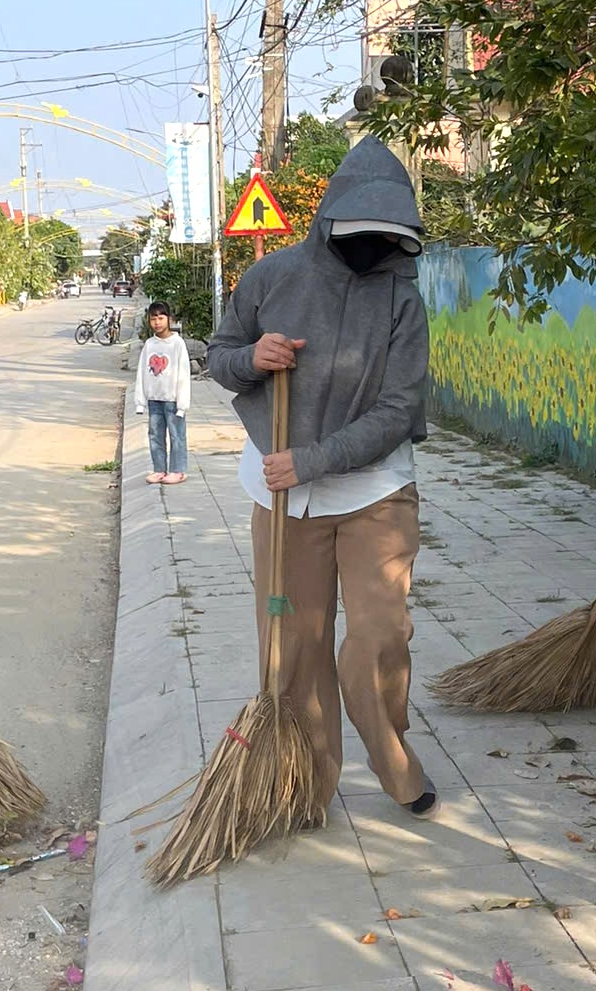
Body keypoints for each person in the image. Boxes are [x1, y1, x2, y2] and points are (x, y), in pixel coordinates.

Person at [207, 138, 438, 818]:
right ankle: (304, 785)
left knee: (379, 635)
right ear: (329, 220)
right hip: (280, 496)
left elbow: (400, 408)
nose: (370, 249)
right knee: (294, 648)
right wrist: (253, 356)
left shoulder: (402, 302)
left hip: (374, 493)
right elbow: (219, 356)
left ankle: (395, 762)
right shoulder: (272, 277)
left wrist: (313, 460)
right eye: (358, 234)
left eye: (384, 238)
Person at [134, 300, 192, 485]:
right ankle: (159, 469)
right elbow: (142, 372)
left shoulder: (177, 344)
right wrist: (140, 401)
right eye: (153, 319)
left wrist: (182, 404)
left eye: (161, 318)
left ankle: (178, 470)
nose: (157, 322)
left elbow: (183, 373)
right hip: (154, 400)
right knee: (155, 436)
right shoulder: (150, 345)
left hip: (173, 400)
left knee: (177, 435)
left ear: (169, 319)